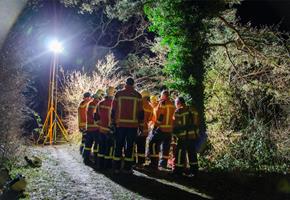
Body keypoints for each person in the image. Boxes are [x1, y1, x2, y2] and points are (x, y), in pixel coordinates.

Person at [111, 78, 144, 174]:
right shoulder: (138, 95)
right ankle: (127, 168)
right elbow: (141, 113)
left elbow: (113, 111)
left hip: (120, 125)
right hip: (132, 126)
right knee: (129, 147)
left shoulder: (118, 94)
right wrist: (141, 126)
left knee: (118, 146)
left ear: (125, 84)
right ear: (133, 84)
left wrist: (112, 123)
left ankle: (116, 167)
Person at [147, 90, 175, 170]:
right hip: (169, 130)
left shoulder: (163, 103)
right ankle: (163, 164)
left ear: (164, 95)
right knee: (165, 147)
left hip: (161, 128)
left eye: (161, 95)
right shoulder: (172, 105)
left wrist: (155, 127)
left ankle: (154, 163)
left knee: (152, 143)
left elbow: (161, 116)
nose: (160, 96)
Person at [172, 96, 199, 177]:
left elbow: (175, 126)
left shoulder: (178, 111)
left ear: (179, 103)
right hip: (193, 136)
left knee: (180, 154)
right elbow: (197, 123)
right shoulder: (193, 110)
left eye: (176, 103)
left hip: (183, 137)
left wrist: (174, 136)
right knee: (192, 154)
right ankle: (194, 171)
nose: (175, 105)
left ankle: (178, 171)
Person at [96, 86, 115, 170]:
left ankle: (100, 165)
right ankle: (108, 165)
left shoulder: (100, 103)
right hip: (110, 130)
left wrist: (99, 125)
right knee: (109, 148)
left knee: (101, 147)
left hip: (101, 129)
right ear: (113, 93)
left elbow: (96, 116)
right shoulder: (114, 103)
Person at [83, 89, 104, 165]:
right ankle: (96, 159)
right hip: (95, 128)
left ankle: (86, 159)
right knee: (97, 144)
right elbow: (95, 116)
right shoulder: (96, 104)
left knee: (88, 144)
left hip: (89, 127)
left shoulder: (90, 103)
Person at [135, 90, 154, 167]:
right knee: (142, 147)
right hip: (145, 129)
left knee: (133, 145)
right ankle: (141, 162)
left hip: (137, 128)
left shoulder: (138, 104)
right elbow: (150, 119)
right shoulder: (150, 106)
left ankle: (132, 162)